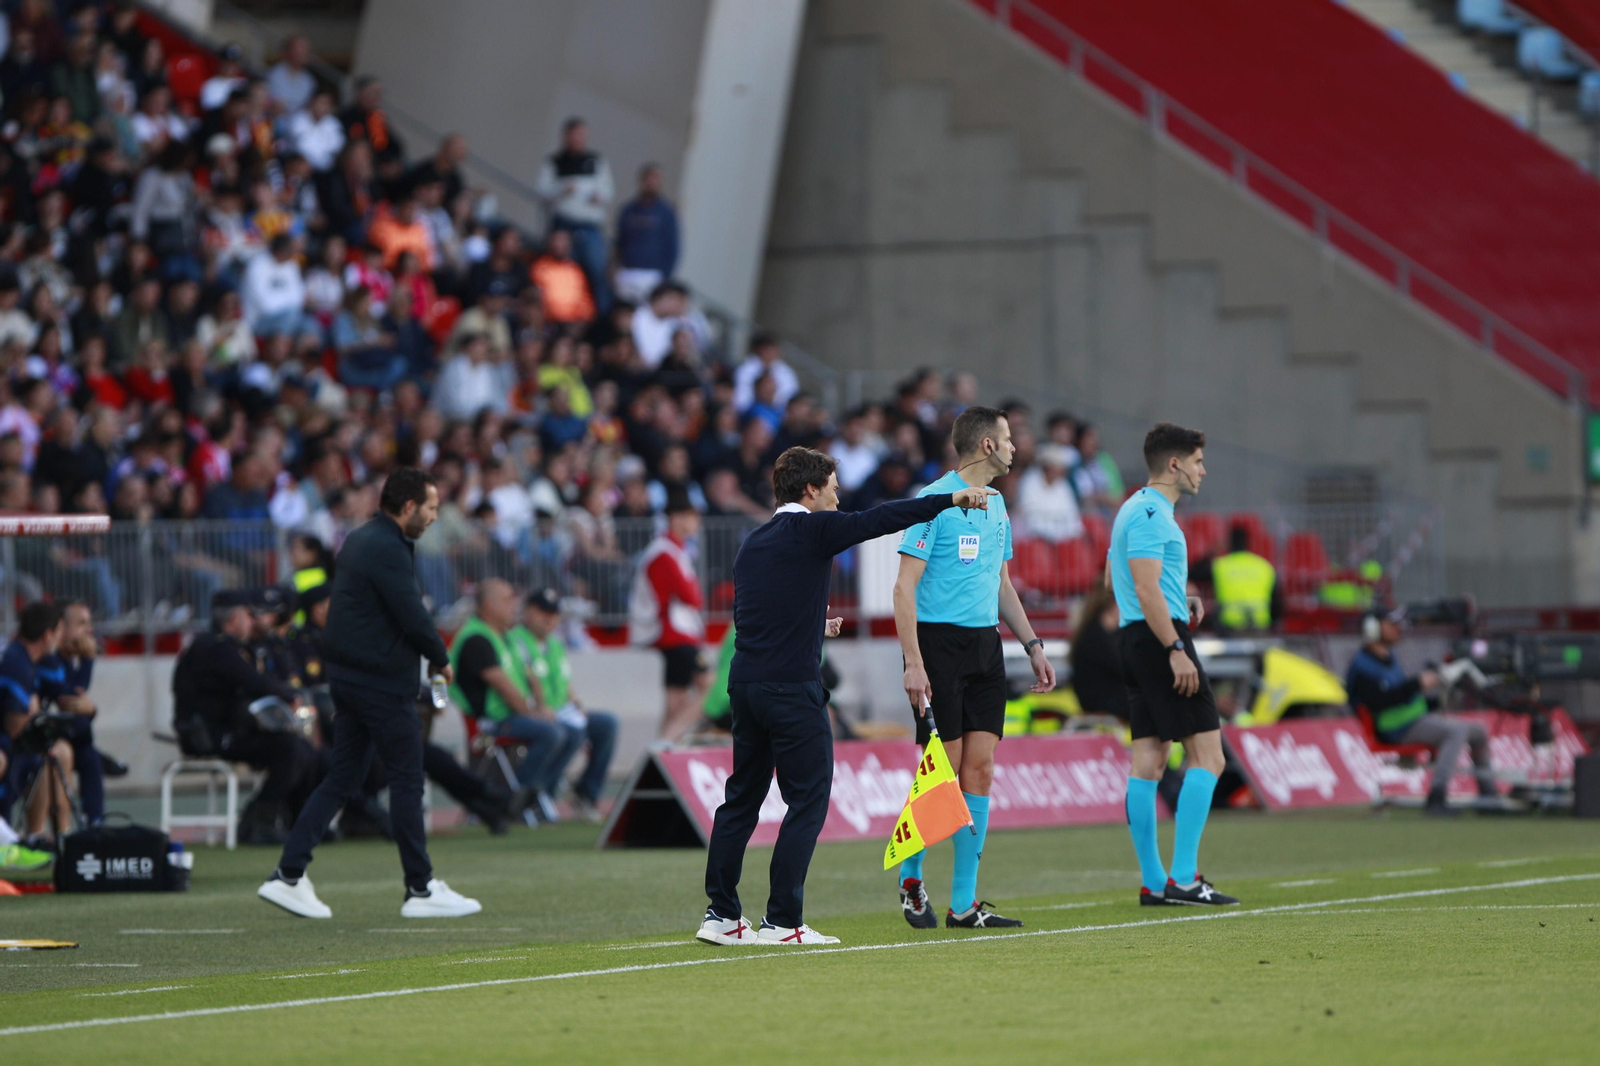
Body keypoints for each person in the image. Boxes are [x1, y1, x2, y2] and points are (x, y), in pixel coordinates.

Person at [698, 447, 996, 947]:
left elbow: (757, 616)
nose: (839, 499)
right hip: (792, 690)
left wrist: (817, 626)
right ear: (810, 490)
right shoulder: (812, 529)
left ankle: (721, 915)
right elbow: (879, 519)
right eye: (833, 489)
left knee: (741, 800)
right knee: (808, 801)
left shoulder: (753, 543)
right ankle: (782, 921)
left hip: (745, 687)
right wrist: (949, 499)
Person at [258, 468, 481, 920]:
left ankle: (288, 875)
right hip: (380, 683)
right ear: (408, 507)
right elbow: (411, 612)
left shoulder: (363, 540)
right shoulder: (386, 547)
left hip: (352, 680)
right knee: (406, 779)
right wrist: (440, 657)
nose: (436, 517)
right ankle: (420, 888)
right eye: (432, 508)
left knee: (341, 779)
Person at [892, 405, 1055, 930]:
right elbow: (903, 588)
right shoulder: (932, 501)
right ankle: (912, 878)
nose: (1014, 447)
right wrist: (914, 664)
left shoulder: (999, 504)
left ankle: (964, 904)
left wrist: (1031, 644)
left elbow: (1001, 582)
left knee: (979, 770)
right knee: (943, 773)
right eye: (1007, 439)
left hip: (985, 645)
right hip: (937, 648)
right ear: (987, 446)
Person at [1110, 423, 1238, 907]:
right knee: (1209, 756)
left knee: (1150, 762)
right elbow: (1143, 588)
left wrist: (1179, 597)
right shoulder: (1150, 513)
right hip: (1158, 642)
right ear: (1175, 463)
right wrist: (1175, 646)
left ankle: (1153, 882)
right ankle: (1184, 878)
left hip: (1138, 638)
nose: (1203, 471)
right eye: (1199, 461)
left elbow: (1116, 575)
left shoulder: (1133, 509)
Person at [171, 592, 316, 845]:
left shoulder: (227, 646)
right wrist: (290, 694)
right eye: (248, 615)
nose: (252, 621)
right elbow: (252, 680)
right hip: (210, 735)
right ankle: (256, 820)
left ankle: (283, 820)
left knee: (299, 748)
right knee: (290, 750)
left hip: (228, 731)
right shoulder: (214, 647)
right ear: (234, 618)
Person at [1346, 608, 1496, 815]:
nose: (1398, 629)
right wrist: (1417, 684)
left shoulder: (1390, 659)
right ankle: (1437, 796)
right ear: (1372, 629)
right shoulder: (1362, 666)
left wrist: (1438, 701)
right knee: (1456, 731)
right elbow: (1379, 703)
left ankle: (1489, 798)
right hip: (1395, 729)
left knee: (1477, 731)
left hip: (1412, 722)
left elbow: (1406, 700)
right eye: (1391, 624)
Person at [447, 578, 567, 823]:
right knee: (552, 733)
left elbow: (531, 676)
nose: (514, 604)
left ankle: (541, 795)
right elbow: (504, 687)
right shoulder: (476, 638)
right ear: (488, 604)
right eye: (507, 599)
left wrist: (542, 706)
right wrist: (533, 714)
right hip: (490, 721)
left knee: (570, 731)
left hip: (514, 715)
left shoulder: (506, 636)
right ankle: (514, 800)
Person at [509, 588, 618, 823]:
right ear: (527, 612)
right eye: (542, 612)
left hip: (561, 712)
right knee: (570, 732)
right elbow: (525, 681)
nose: (549, 619)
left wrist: (578, 704)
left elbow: (565, 683)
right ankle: (539, 795)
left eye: (554, 613)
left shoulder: (555, 645)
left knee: (607, 724)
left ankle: (586, 794)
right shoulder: (516, 641)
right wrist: (538, 710)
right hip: (534, 714)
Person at [37, 600, 124, 829]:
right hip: (31, 739)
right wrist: (88, 660)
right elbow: (72, 702)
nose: (89, 630)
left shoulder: (65, 660)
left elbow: (78, 702)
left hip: (60, 738)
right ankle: (58, 830)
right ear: (61, 627)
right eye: (82, 623)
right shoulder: (48, 658)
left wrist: (90, 709)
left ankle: (94, 824)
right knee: (83, 749)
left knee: (88, 755)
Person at [630, 489, 707, 743]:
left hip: (677, 635)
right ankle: (666, 743)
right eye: (692, 516)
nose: (696, 522)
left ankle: (664, 749)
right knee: (708, 687)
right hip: (672, 635)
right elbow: (692, 597)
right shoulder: (664, 552)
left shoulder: (675, 550)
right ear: (676, 518)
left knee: (678, 699)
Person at [0, 601, 75, 853]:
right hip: (7, 746)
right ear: (47, 635)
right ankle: (26, 837)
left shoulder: (25, 659)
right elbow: (14, 726)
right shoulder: (15, 662)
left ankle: (48, 835)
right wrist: (35, 717)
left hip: (12, 746)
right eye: (59, 633)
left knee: (58, 751)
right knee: (48, 751)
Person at [535, 117, 612, 312]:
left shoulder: (596, 161)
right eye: (574, 135)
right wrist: (563, 189)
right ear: (565, 136)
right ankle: (560, 312)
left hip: (589, 227)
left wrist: (598, 196)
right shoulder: (554, 162)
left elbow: (608, 191)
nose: (578, 139)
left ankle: (599, 316)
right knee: (563, 271)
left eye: (581, 135)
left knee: (596, 271)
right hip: (564, 225)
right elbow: (542, 191)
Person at [613, 162, 678, 303]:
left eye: (656, 178)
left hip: (653, 275)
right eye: (648, 177)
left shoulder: (666, 212)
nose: (651, 182)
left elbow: (672, 246)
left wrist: (665, 276)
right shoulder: (628, 210)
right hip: (628, 273)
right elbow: (620, 242)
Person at [1069, 585, 1127, 721]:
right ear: (1115, 605)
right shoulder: (1095, 637)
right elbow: (1123, 668)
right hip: (1100, 700)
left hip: (1110, 695)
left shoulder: (1110, 634)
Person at [1210, 522, 1277, 632]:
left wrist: (1213, 552)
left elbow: (1194, 572)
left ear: (1228, 543)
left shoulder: (1220, 566)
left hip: (1229, 627)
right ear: (1248, 543)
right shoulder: (1265, 566)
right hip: (1260, 627)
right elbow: (1277, 604)